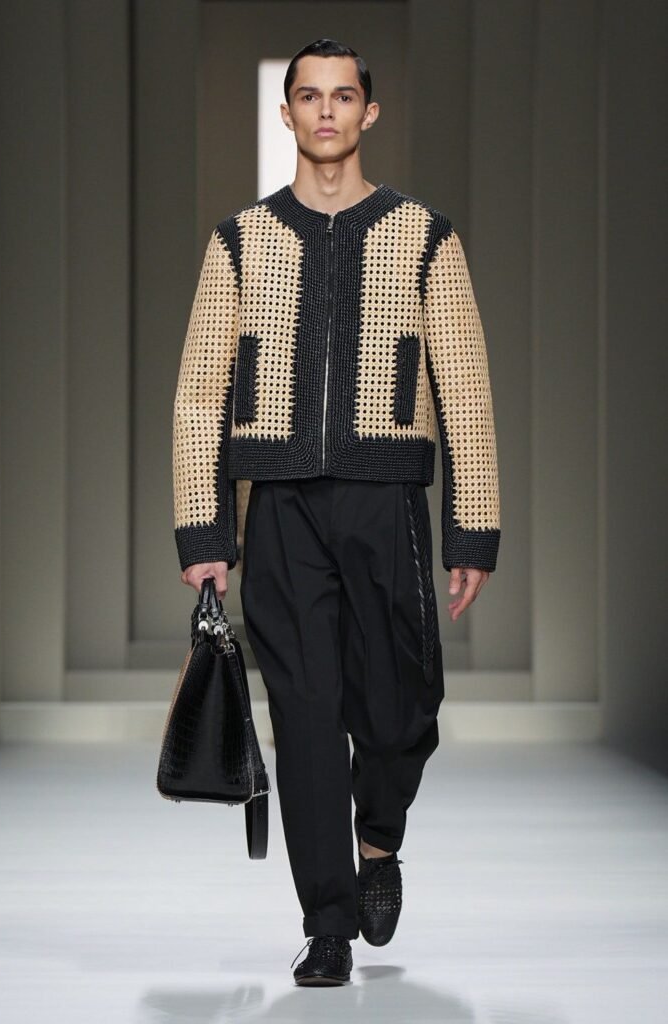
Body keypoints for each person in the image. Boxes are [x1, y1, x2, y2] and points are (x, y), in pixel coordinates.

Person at [171, 38, 501, 987]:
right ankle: (326, 923)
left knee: (400, 708)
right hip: (276, 504)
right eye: (309, 97)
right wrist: (205, 530)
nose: (325, 111)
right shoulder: (239, 241)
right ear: (286, 115)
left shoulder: (424, 235)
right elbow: (199, 393)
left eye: (342, 96)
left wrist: (471, 527)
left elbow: (464, 387)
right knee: (307, 714)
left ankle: (378, 841)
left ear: (368, 112)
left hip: (385, 497)